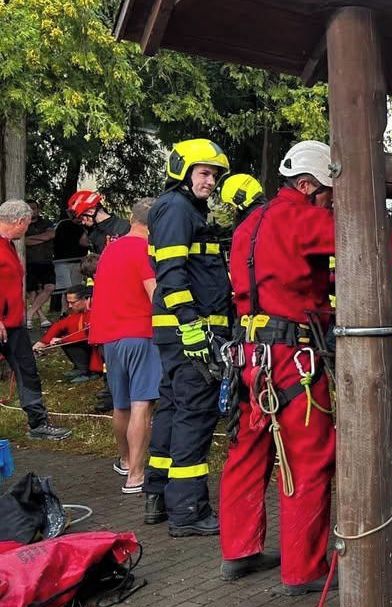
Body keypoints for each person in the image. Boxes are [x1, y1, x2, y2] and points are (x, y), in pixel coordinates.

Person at [220, 140, 336, 595]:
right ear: (307, 185)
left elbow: (283, 274)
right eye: (327, 193)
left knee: (248, 452)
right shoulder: (303, 217)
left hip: (249, 353)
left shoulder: (251, 223)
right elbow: (361, 241)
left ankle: (239, 550)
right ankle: (304, 570)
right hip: (292, 358)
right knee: (308, 458)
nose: (329, 203)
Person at [144, 138, 232, 537]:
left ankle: (158, 495)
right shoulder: (178, 209)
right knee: (194, 415)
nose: (210, 181)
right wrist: (191, 324)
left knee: (172, 408)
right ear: (182, 170)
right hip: (190, 331)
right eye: (203, 172)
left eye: (214, 175)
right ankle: (189, 511)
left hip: (176, 332)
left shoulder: (180, 209)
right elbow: (172, 273)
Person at [89, 199, 159, 494]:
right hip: (141, 333)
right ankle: (136, 474)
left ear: (131, 218)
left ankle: (125, 459)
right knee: (142, 402)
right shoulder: (145, 250)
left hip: (110, 337)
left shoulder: (110, 249)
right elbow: (154, 293)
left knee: (121, 404)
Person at [0, 200, 72, 440]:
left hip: (13, 324)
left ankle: (38, 423)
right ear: (19, 222)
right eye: (28, 224)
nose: (28, 229)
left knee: (28, 371)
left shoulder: (7, 244)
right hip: (2, 322)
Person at [32, 286, 101, 383]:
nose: (69, 306)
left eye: (73, 302)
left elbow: (87, 335)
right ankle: (81, 367)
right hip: (89, 343)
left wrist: (62, 340)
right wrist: (42, 342)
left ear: (86, 299)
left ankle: (92, 372)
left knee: (67, 341)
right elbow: (60, 325)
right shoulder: (80, 312)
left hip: (99, 349)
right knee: (62, 338)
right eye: (68, 302)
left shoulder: (97, 311)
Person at [68, 190, 131, 254]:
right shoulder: (93, 233)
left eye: (82, 218)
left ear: (90, 212)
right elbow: (82, 242)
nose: (83, 222)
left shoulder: (124, 227)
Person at [24, 202, 55, 329]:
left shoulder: (46, 223)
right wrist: (43, 238)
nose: (32, 211)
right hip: (29, 262)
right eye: (29, 209)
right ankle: (41, 318)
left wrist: (32, 239)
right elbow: (24, 241)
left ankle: (29, 314)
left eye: (34, 208)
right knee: (32, 292)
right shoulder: (23, 223)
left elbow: (51, 235)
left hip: (46, 261)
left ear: (38, 209)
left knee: (50, 287)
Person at [52, 208, 88, 313]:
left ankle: (74, 312)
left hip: (77, 261)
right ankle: (64, 312)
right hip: (62, 261)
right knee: (66, 289)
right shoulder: (63, 225)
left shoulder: (84, 226)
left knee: (75, 288)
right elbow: (84, 242)